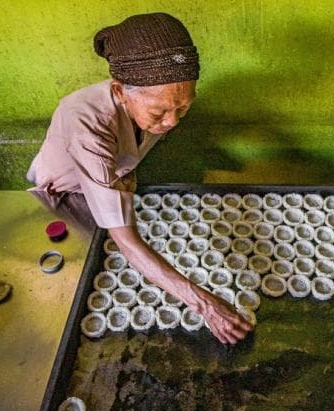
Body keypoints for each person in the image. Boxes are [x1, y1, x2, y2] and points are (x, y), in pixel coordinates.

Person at [26, 13, 252, 344]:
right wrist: (204, 304)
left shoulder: (156, 102)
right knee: (69, 291)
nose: (172, 122)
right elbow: (126, 240)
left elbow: (132, 143)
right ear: (120, 91)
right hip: (64, 198)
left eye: (183, 109)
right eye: (160, 113)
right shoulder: (86, 120)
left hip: (109, 182)